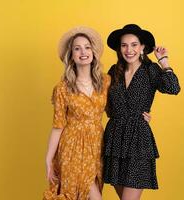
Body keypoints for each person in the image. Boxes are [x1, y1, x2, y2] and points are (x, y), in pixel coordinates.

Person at [103, 24, 181, 200]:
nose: (129, 50)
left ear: (142, 47)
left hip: (139, 140)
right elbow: (103, 103)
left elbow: (173, 88)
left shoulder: (150, 70)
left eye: (134, 44)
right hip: (114, 139)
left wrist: (164, 61)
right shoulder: (113, 72)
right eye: (124, 45)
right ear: (119, 48)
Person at [43, 26, 111, 200]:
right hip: (72, 147)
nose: (83, 52)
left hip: (96, 146)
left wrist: (143, 113)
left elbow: (117, 108)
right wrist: (49, 159)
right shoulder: (62, 89)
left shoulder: (105, 81)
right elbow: (58, 126)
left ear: (93, 52)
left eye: (87, 47)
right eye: (77, 48)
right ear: (71, 55)